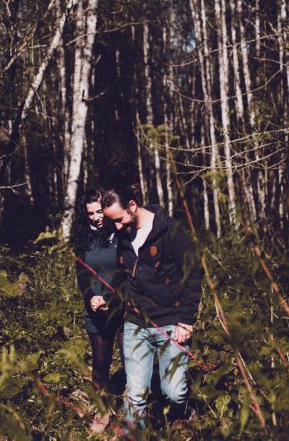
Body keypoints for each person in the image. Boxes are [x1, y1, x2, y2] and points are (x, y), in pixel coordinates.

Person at [101, 183, 201, 430]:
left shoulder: (170, 230)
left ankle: (183, 413)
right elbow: (123, 274)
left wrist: (186, 320)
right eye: (113, 222)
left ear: (132, 205)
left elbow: (192, 274)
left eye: (119, 219)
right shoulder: (123, 235)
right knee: (135, 394)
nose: (117, 227)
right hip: (136, 323)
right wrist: (108, 297)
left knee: (173, 392)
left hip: (171, 321)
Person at [74, 188, 125, 429]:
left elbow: (125, 272)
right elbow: (82, 275)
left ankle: (136, 411)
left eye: (99, 211)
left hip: (121, 308)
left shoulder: (120, 233)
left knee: (131, 362)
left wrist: (109, 298)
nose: (96, 217)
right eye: (91, 213)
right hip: (95, 309)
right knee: (100, 365)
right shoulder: (83, 239)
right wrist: (91, 299)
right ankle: (103, 411)